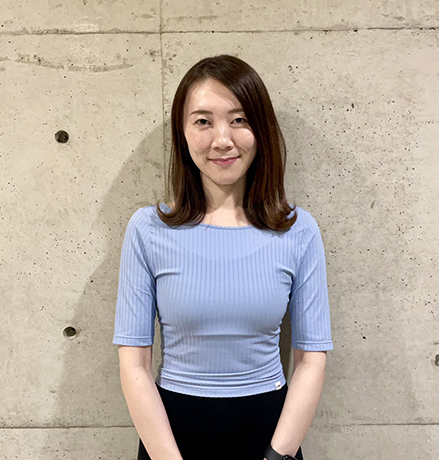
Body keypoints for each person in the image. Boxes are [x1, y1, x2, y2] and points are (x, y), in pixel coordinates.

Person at [112, 54, 334, 460]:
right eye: (203, 121)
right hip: (170, 439)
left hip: (271, 440)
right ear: (182, 133)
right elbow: (134, 365)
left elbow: (310, 360)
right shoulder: (148, 229)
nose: (222, 139)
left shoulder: (297, 230)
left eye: (239, 120)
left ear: (261, 130)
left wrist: (277, 455)